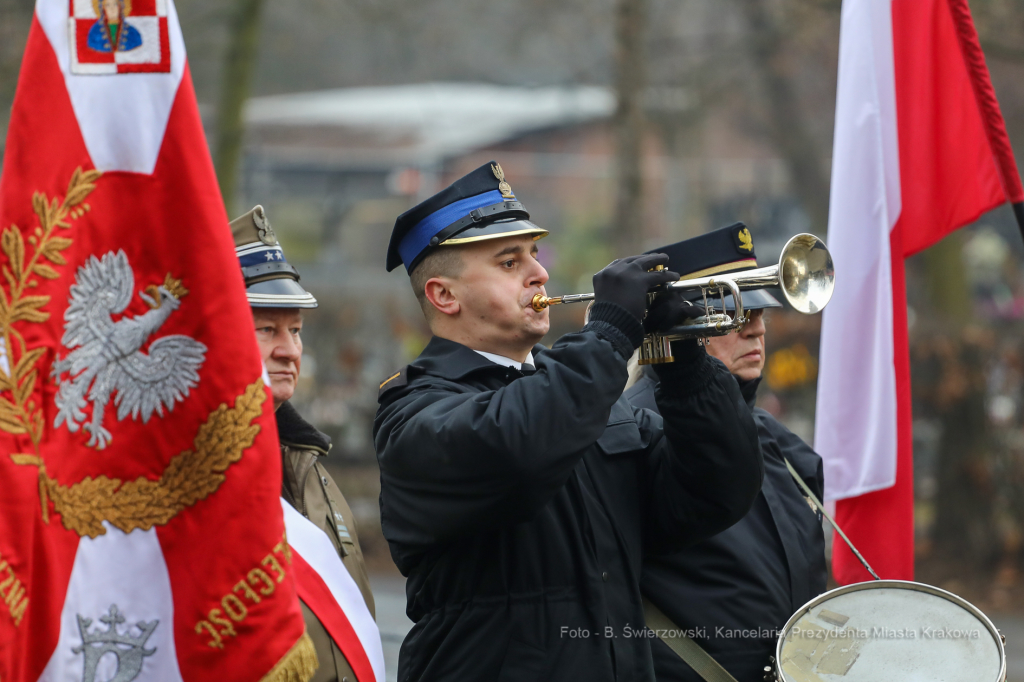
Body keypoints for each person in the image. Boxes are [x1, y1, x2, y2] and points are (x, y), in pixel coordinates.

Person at [373, 162, 764, 681]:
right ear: (445, 296)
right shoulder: (415, 412)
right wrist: (608, 334)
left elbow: (718, 491)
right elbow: (517, 449)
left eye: (534, 255)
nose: (539, 274)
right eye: (510, 262)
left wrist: (686, 364)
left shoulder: (583, 397)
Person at [625, 224, 827, 682]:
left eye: (759, 313)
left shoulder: (785, 446)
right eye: (734, 316)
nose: (756, 328)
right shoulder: (629, 431)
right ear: (681, 324)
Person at [231, 206, 375, 682]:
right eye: (266, 329)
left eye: (294, 330)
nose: (290, 350)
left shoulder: (308, 463)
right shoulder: (184, 474)